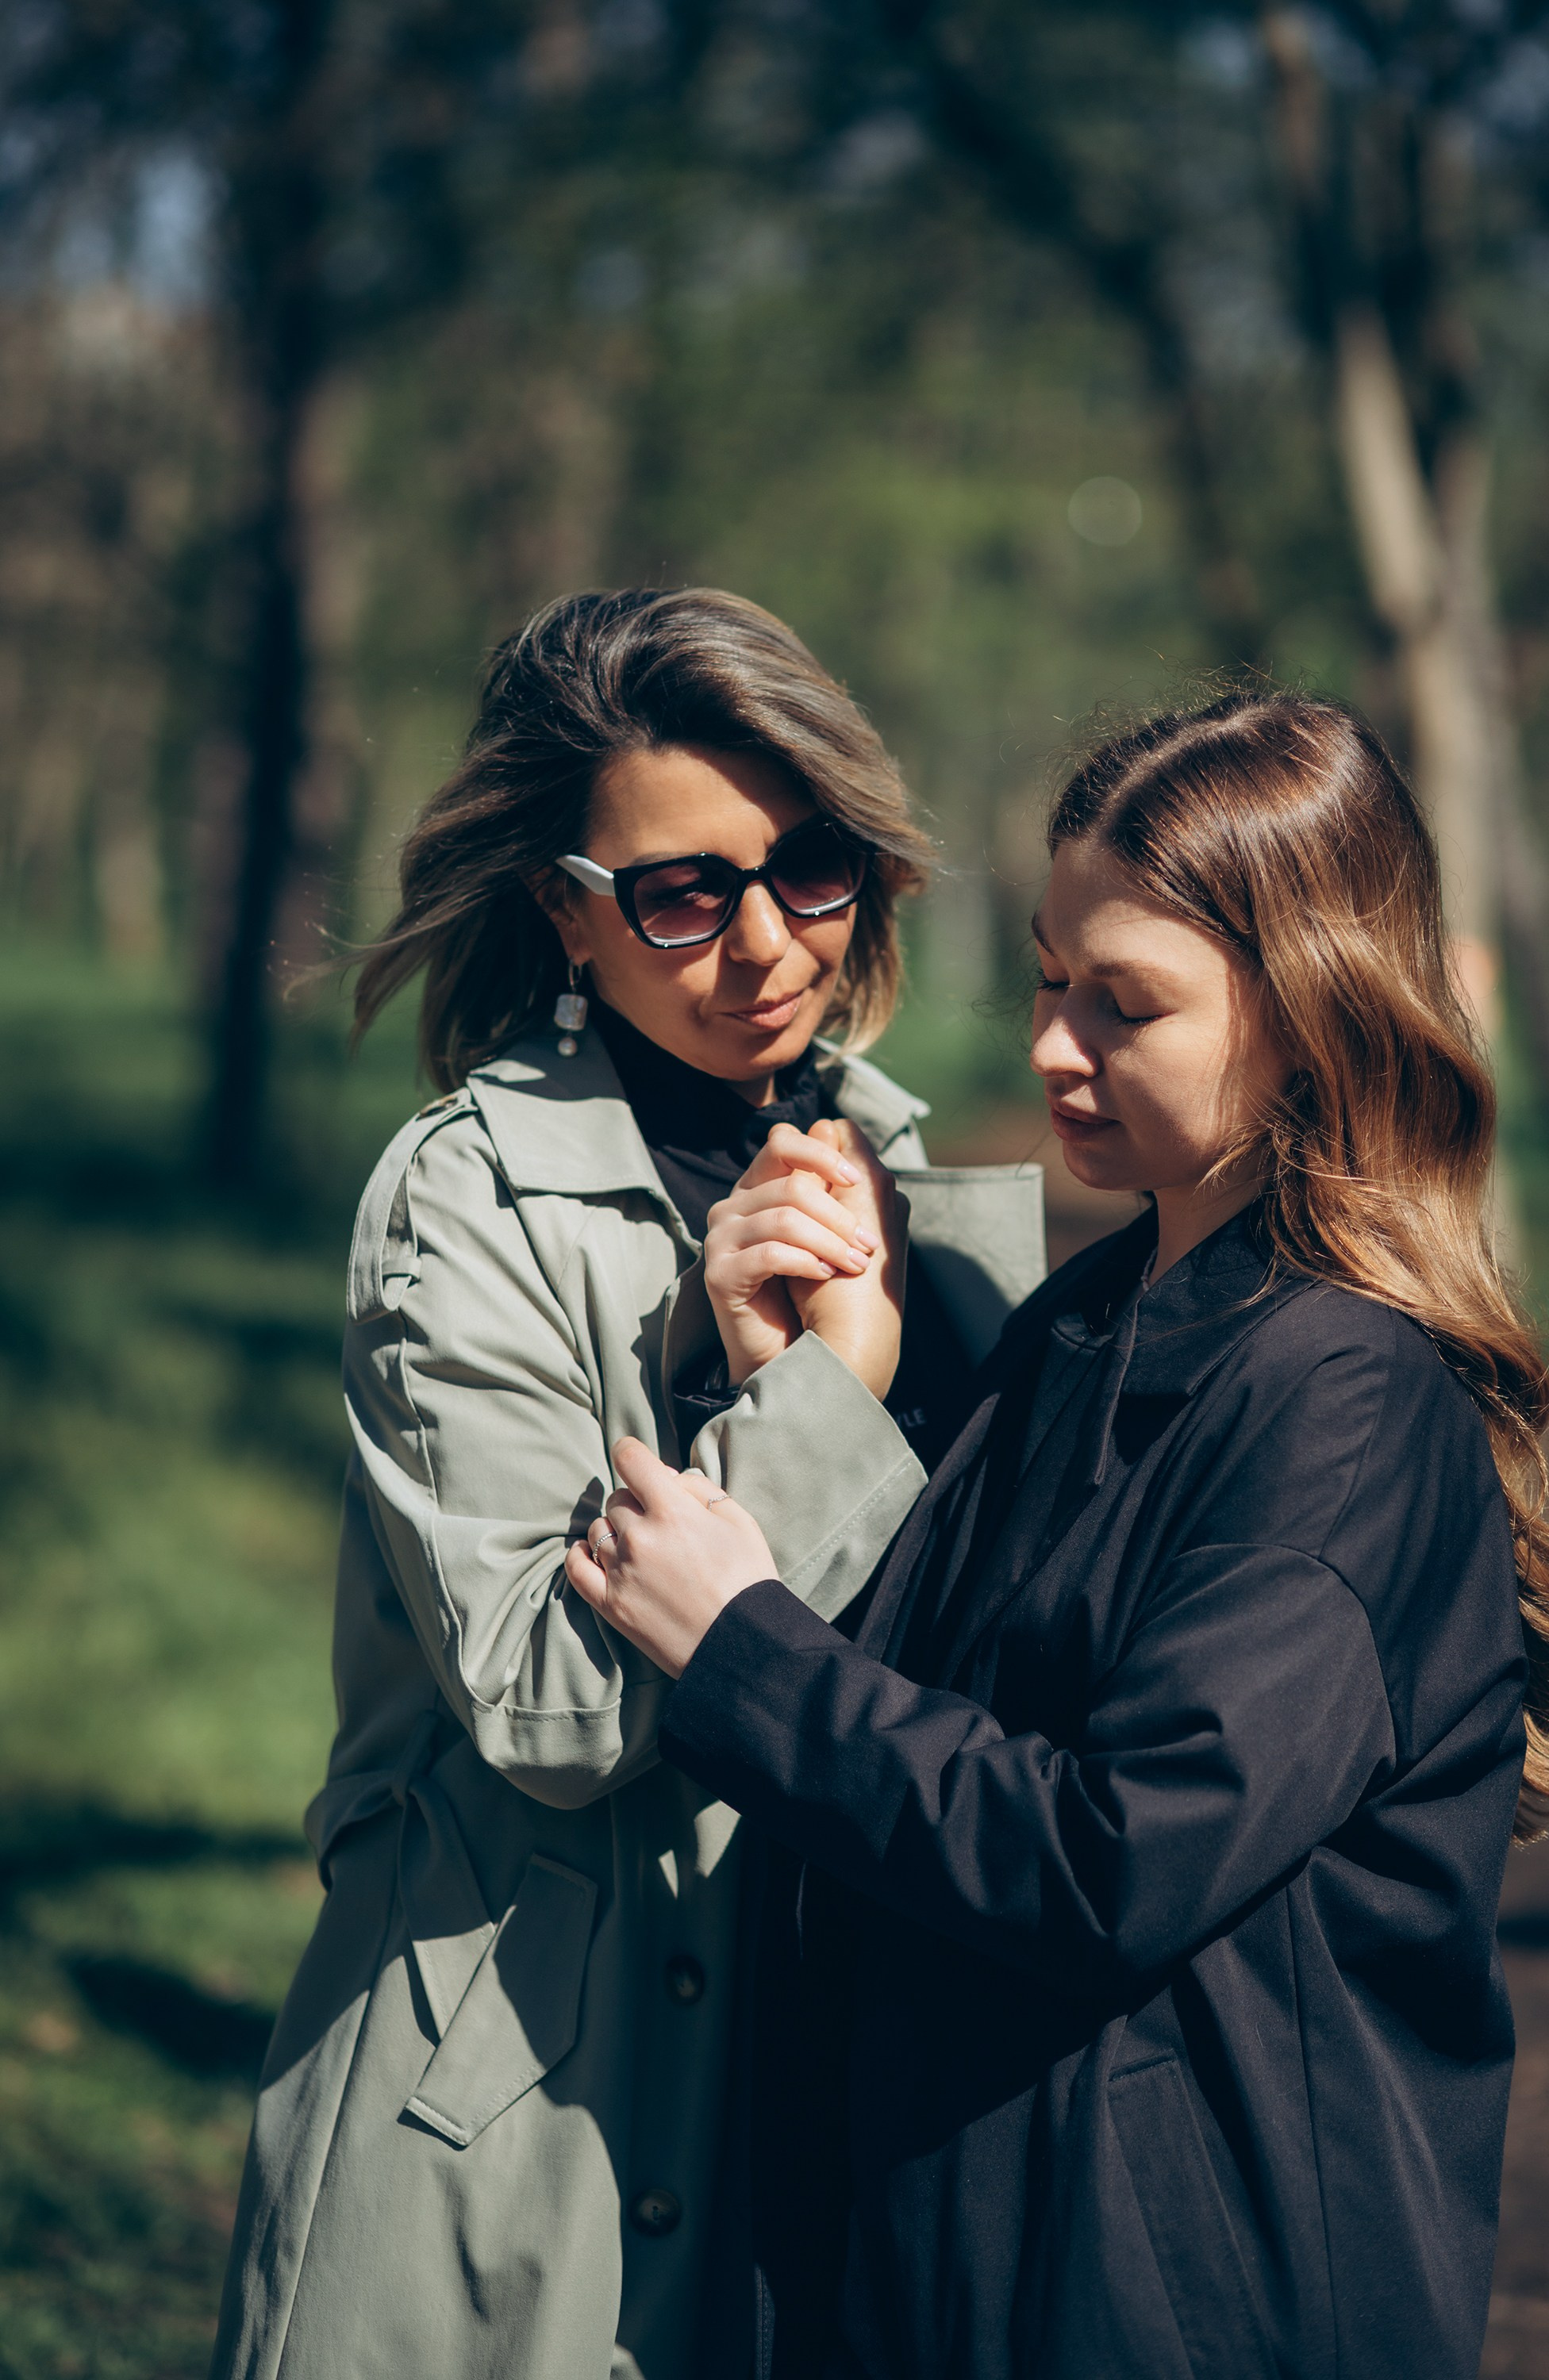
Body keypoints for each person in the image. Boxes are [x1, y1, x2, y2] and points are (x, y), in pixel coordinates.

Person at [566, 689, 1549, 2380]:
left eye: (1125, 1005)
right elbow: (951, 1682)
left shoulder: (1347, 1402)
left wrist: (735, 1646)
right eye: (1050, 980)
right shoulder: (1086, 1314)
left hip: (1178, 2304)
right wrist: (816, 1388)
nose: (1052, 1047)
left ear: (1310, 1015)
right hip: (964, 2263)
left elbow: (1108, 1857)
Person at [209, 587, 1047, 2380]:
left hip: (816, 2119)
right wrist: (816, 1394)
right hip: (509, 2135)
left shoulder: (907, 1181)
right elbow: (542, 1700)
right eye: (681, 891)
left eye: (808, 866)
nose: (761, 943)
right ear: (562, 916)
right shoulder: (460, 1206)